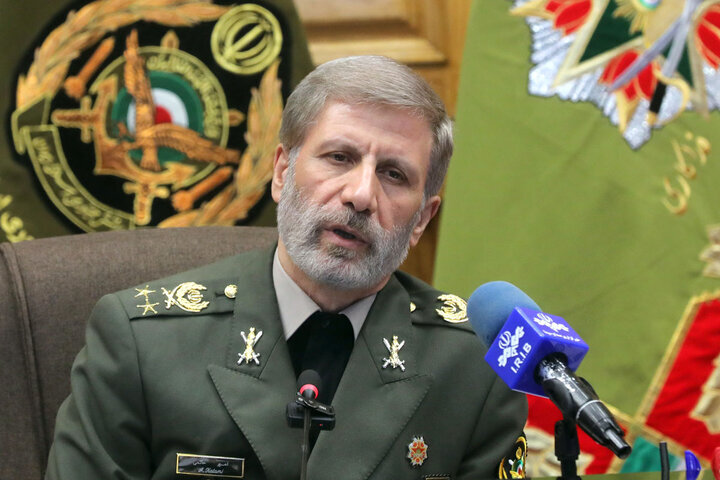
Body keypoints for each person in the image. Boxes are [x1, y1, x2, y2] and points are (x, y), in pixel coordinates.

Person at [45, 55, 528, 480]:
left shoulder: (478, 368)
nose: (361, 195)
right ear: (281, 172)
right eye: (339, 157)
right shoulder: (142, 341)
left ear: (421, 218)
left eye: (393, 174)